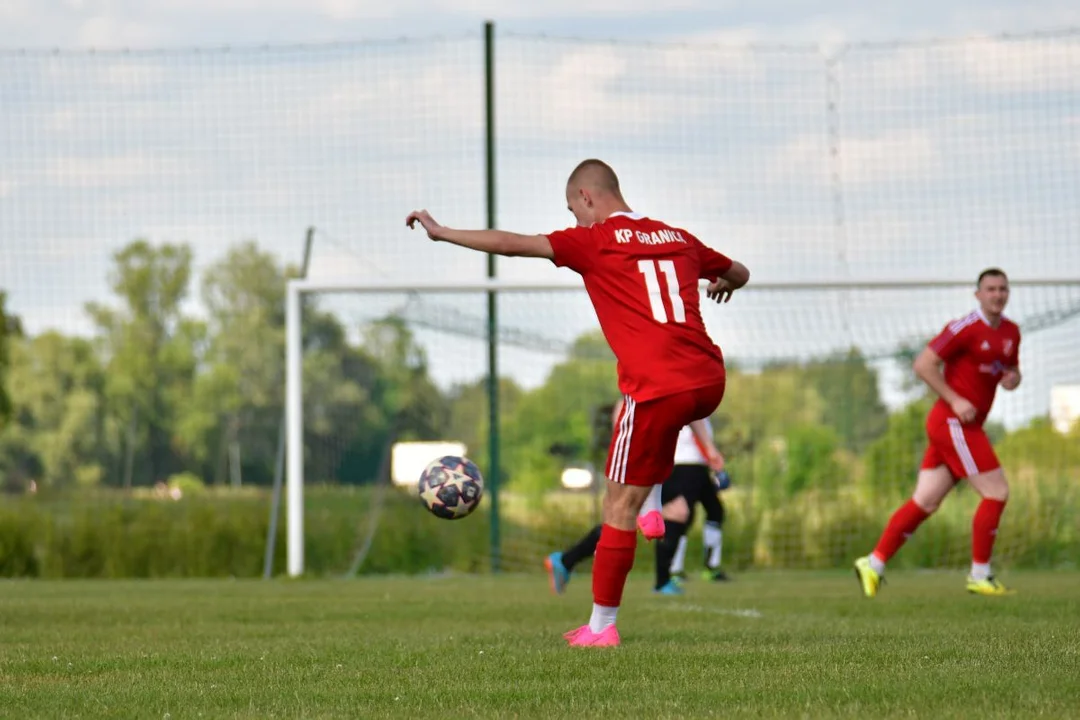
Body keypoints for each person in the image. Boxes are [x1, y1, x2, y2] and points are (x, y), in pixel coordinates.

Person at [407, 159, 749, 647]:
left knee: (615, 503)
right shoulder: (678, 237)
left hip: (658, 387)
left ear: (588, 197)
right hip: (709, 381)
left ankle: (601, 628)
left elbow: (510, 244)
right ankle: (652, 505)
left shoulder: (593, 240)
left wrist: (442, 233)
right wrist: (724, 284)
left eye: (573, 210)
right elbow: (740, 271)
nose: (573, 222)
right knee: (660, 423)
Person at [854, 268, 1021, 598]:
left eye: (1003, 289)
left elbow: (1012, 371)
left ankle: (873, 563)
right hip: (953, 424)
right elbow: (923, 364)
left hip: (964, 426)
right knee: (996, 492)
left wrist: (1013, 379)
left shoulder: (1012, 332)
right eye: (991, 289)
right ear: (978, 294)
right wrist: (956, 399)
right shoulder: (964, 328)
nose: (997, 294)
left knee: (925, 501)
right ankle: (980, 575)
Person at [544, 409, 727, 596]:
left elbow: (691, 412)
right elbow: (624, 416)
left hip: (663, 464)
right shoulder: (638, 391)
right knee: (626, 517)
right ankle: (567, 561)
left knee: (672, 512)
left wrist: (709, 450)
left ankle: (663, 580)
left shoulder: (678, 390)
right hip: (645, 462)